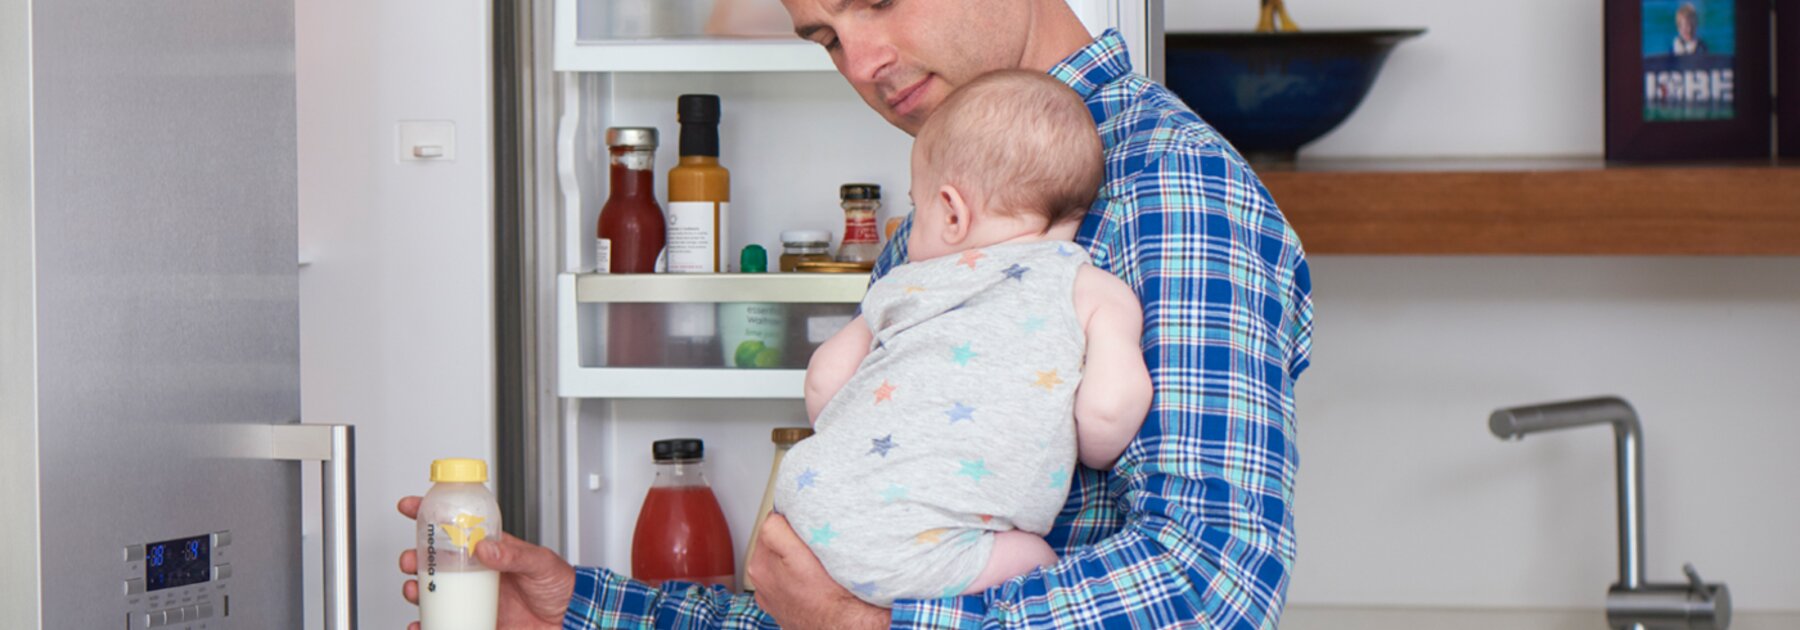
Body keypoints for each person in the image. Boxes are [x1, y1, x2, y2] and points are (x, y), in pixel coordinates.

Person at [397, 0, 1314, 627]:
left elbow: (1213, 585)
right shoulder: (941, 221)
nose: (865, 63)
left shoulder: (1168, 188)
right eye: (826, 35)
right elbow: (843, 592)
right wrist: (581, 610)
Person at [777, 69, 1152, 608]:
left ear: (951, 212)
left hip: (808, 511)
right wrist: (1091, 447)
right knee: (1037, 562)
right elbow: (1107, 419)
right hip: (916, 553)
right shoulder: (1094, 291)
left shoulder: (903, 283)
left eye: (917, 203)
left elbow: (824, 384)